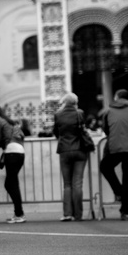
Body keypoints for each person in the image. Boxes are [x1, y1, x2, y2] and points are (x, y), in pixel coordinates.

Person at [99, 89, 128, 221]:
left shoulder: (108, 111)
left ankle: (118, 191)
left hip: (114, 147)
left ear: (117, 97)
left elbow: (105, 129)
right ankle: (125, 211)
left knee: (105, 167)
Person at [53, 92, 89, 222]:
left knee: (67, 184)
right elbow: (83, 130)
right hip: (79, 150)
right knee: (77, 183)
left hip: (64, 150)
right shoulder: (79, 113)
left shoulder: (58, 115)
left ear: (64, 102)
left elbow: (56, 132)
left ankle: (67, 214)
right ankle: (78, 215)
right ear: (75, 102)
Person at [0, 103, 26, 223]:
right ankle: (18, 213)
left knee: (11, 184)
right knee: (12, 183)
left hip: (11, 152)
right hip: (20, 151)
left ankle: (19, 214)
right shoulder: (8, 121)